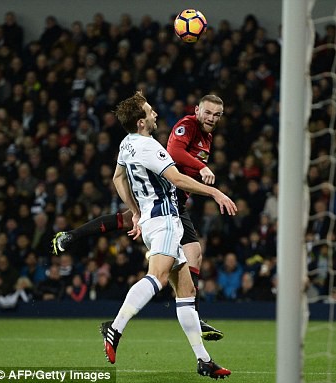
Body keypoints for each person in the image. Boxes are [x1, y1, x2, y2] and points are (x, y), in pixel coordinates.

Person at [52, 94, 226, 340]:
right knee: (180, 254)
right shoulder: (187, 126)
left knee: (136, 222)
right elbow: (175, 152)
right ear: (197, 110)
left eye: (217, 115)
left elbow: (118, 177)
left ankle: (72, 235)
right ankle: (187, 313)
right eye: (207, 112)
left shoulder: (204, 135)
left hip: (177, 197)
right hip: (165, 192)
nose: (212, 118)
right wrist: (203, 170)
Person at [100, 91, 234, 378]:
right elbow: (176, 178)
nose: (155, 115)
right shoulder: (151, 148)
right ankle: (115, 327)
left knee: (186, 292)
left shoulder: (126, 144)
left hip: (152, 220)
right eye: (150, 112)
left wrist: (135, 211)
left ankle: (204, 361)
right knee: (158, 278)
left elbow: (117, 178)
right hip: (165, 220)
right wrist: (214, 192)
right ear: (140, 122)